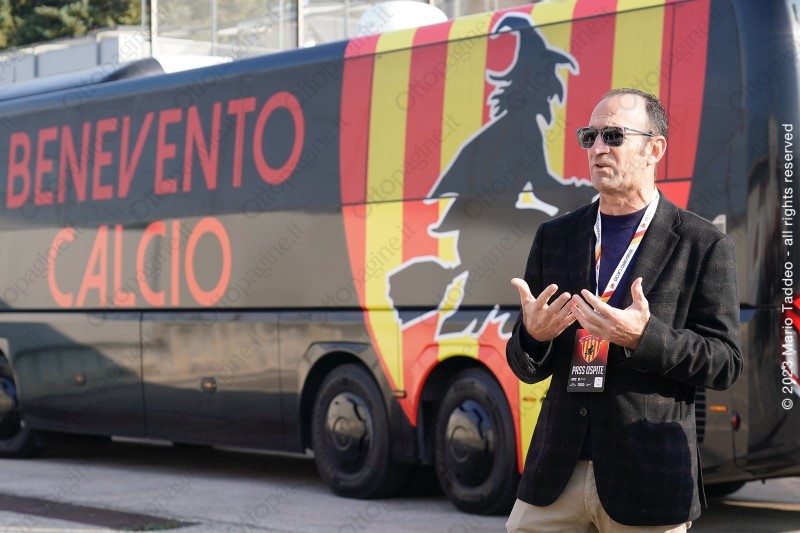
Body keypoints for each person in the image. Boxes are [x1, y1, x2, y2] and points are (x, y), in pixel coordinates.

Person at [505, 88, 742, 533]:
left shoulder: (703, 243)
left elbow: (725, 363)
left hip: (647, 476)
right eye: (589, 136)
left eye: (613, 136)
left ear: (655, 149)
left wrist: (643, 337)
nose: (597, 148)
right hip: (556, 472)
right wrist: (533, 336)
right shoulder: (555, 236)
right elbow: (525, 367)